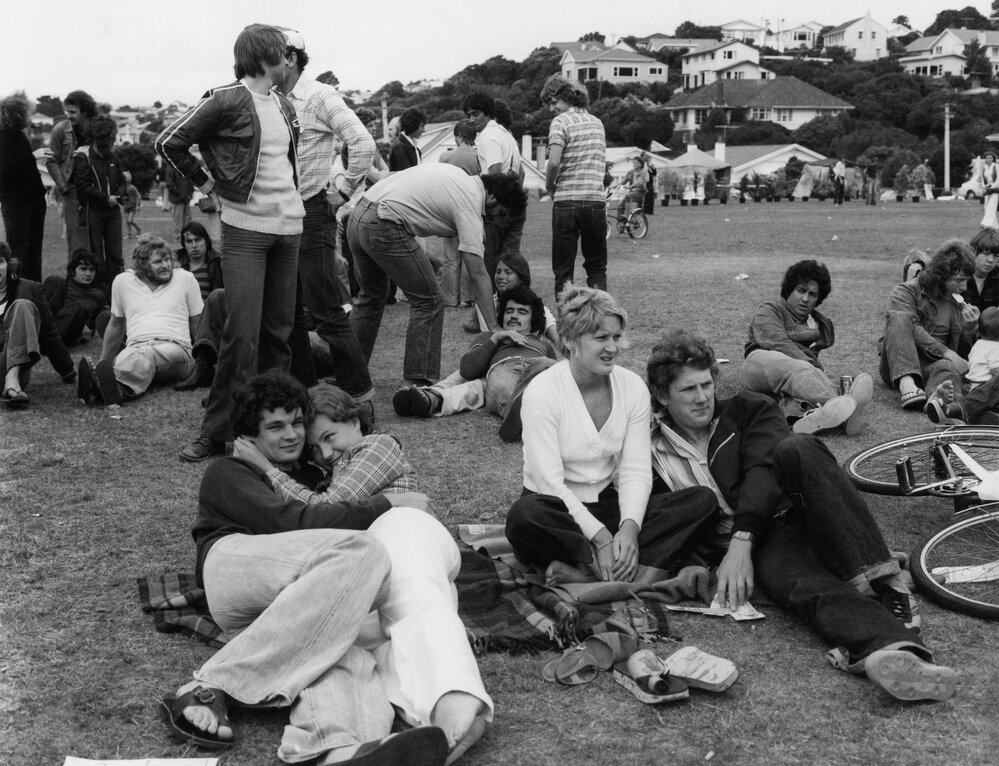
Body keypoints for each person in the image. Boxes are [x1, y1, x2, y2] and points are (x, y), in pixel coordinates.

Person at [164, 372, 490, 765]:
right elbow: (294, 522)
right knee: (364, 552)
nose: (292, 435)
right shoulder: (230, 472)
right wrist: (385, 504)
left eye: (297, 423)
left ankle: (338, 746)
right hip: (235, 564)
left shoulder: (310, 476)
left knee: (341, 642)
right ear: (250, 437)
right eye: (275, 427)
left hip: (299, 598)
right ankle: (214, 681)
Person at [646, 328, 958, 703]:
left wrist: (741, 542)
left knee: (798, 447)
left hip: (798, 508)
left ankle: (884, 582)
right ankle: (893, 651)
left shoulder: (746, 409)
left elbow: (763, 468)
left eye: (706, 385)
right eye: (688, 390)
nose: (702, 398)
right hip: (762, 544)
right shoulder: (647, 449)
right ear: (662, 395)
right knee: (803, 587)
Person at [156, 23, 306, 462]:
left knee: (279, 335)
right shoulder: (223, 100)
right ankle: (216, 432)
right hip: (246, 231)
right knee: (241, 336)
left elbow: (285, 167)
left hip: (289, 230)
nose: (288, 61)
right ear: (264, 58)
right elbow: (170, 142)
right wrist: (209, 186)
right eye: (283, 54)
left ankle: (274, 430)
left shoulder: (284, 105)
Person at [504, 286, 717, 586]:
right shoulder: (543, 391)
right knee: (524, 517)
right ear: (569, 339)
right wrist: (603, 539)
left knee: (701, 502)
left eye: (616, 337)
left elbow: (635, 469)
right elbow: (549, 483)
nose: (612, 348)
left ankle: (587, 572)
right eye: (600, 338)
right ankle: (611, 570)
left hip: (606, 505)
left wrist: (629, 528)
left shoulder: (631, 387)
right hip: (555, 509)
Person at [346, 163, 527, 385]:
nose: (496, 222)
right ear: (493, 197)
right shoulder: (470, 201)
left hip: (358, 216)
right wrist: (494, 327)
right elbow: (477, 274)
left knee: (370, 298)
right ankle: (417, 381)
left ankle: (348, 374)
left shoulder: (459, 176)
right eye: (500, 215)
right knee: (429, 301)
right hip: (383, 223)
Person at [277, 29, 377, 418]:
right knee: (292, 311)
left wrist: (344, 190)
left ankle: (360, 397)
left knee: (326, 311)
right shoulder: (274, 99)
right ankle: (307, 392)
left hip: (314, 210)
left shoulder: (319, 95)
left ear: (289, 57)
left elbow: (363, 143)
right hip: (285, 213)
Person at [742, 259, 873, 435]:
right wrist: (815, 367)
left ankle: (809, 417)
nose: (805, 299)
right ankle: (845, 407)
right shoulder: (770, 308)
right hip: (760, 362)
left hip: (786, 382)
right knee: (801, 368)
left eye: (812, 295)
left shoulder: (817, 323)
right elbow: (777, 342)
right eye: (801, 291)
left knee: (795, 395)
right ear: (790, 289)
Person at [235, 381, 417, 504]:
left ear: (354, 422)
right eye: (313, 448)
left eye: (329, 436)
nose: (326, 454)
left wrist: (268, 470)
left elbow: (328, 510)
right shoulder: (335, 473)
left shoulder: (379, 447)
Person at [392, 284, 557, 421]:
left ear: (533, 319)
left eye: (522, 312)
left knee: (552, 371)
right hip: (503, 370)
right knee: (490, 385)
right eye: (509, 311)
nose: (514, 315)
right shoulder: (488, 337)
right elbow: (467, 370)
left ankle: (549, 415)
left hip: (538, 369)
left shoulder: (543, 345)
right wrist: (495, 339)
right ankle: (523, 418)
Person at [77, 235, 203, 405]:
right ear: (143, 266)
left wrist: (203, 364)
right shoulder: (123, 282)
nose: (166, 265)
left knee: (145, 354)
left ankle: (105, 388)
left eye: (167, 259)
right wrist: (103, 362)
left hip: (177, 350)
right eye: (158, 262)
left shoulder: (185, 279)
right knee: (129, 356)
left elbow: (198, 323)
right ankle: (105, 388)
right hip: (136, 346)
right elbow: (116, 325)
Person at [879, 240, 979, 411]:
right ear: (941, 275)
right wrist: (948, 353)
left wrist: (970, 329)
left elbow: (961, 354)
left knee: (946, 367)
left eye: (967, 280)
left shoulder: (957, 301)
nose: (964, 286)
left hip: (933, 366)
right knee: (901, 317)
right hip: (897, 363)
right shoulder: (906, 291)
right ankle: (907, 383)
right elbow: (908, 328)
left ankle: (938, 404)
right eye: (959, 280)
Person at [540, 74, 607, 297]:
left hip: (566, 202)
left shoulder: (560, 122)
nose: (551, 109)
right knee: (596, 266)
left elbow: (554, 162)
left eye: (553, 102)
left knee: (563, 270)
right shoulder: (597, 123)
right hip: (595, 202)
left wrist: (549, 186)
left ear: (565, 96)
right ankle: (601, 317)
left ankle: (565, 320)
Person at [0, 241, 75, 407]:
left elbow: (49, 333)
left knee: (23, 305)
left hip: (12, 364)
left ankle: (12, 379)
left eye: (0, 261)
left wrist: (68, 371)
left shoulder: (29, 288)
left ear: (8, 264)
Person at [463, 91, 526, 286]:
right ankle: (510, 299)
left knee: (489, 260)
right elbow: (521, 172)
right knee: (511, 259)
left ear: (488, 112)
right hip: (515, 204)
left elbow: (495, 171)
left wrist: (490, 203)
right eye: (468, 115)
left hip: (496, 206)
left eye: (476, 114)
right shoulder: (506, 134)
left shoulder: (487, 136)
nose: (471, 120)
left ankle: (490, 303)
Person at [73, 113, 127, 298]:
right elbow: (82, 187)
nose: (110, 141)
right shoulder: (83, 157)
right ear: (96, 137)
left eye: (111, 137)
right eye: (106, 138)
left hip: (113, 213)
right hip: (93, 212)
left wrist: (120, 194)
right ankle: (98, 296)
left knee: (116, 255)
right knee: (96, 256)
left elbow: (122, 180)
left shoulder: (113, 155)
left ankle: (117, 295)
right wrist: (105, 198)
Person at [0, 92, 47, 282]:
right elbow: (5, 170)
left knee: (34, 251)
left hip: (33, 201)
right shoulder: (2, 138)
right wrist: (33, 156)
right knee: (19, 251)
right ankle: (16, 293)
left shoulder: (19, 135)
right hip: (16, 203)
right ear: (16, 115)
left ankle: (35, 292)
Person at [925, 306, 999, 426]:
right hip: (988, 391)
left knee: (986, 413)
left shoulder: (978, 345)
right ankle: (959, 409)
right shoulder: (995, 348)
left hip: (976, 388)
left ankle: (957, 411)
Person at [173, 222, 225, 391]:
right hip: (179, 313)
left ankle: (201, 366)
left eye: (198, 240)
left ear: (206, 241)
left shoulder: (216, 261)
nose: (194, 245)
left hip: (206, 315)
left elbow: (220, 294)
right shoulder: (175, 263)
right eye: (189, 241)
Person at [46, 89, 96, 256]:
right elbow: (51, 160)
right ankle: (75, 280)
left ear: (85, 111)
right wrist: (63, 185)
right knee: (76, 243)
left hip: (96, 190)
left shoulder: (97, 128)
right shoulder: (60, 130)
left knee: (96, 241)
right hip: (73, 190)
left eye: (73, 112)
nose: (68, 115)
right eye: (67, 111)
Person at [439, 121, 479, 308]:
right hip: (472, 209)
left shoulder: (446, 156)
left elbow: (439, 185)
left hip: (449, 209)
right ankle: (466, 297)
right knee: (469, 253)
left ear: (459, 136)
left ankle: (450, 298)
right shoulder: (479, 156)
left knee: (451, 258)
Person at [42, 248, 109, 345]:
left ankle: (49, 342)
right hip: (48, 325)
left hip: (68, 333)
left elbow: (98, 323)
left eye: (91, 270)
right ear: (73, 270)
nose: (88, 274)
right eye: (83, 269)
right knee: (55, 281)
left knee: (80, 309)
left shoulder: (98, 295)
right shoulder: (61, 286)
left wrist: (86, 328)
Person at [615, 156, 648, 221]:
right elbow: (623, 182)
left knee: (628, 195)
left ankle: (628, 218)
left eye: (636, 163)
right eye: (634, 163)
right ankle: (621, 223)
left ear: (641, 164)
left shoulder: (644, 173)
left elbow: (639, 181)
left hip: (640, 193)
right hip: (631, 193)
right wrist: (613, 187)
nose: (634, 164)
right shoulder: (630, 172)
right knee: (619, 206)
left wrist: (631, 186)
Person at [979, 149, 999, 229]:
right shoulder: (983, 167)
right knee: (986, 207)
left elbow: (998, 178)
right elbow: (981, 178)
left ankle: (986, 224)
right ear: (985, 159)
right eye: (987, 158)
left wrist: (993, 187)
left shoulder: (996, 166)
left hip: (995, 189)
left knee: (992, 206)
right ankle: (995, 227)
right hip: (987, 189)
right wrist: (984, 186)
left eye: (991, 158)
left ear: (993, 159)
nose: (989, 159)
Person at [121, 171, 141, 238]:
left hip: (132, 206)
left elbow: (138, 196)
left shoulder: (132, 187)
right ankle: (129, 234)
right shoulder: (122, 187)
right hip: (125, 206)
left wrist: (138, 205)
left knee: (130, 220)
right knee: (127, 221)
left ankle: (138, 229)